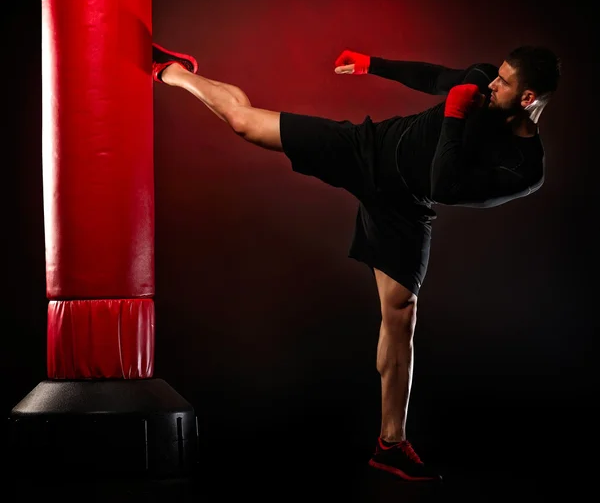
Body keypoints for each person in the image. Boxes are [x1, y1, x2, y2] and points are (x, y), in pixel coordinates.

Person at [151, 41, 561, 481]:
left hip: (406, 206)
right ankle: (173, 71)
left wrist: (456, 115)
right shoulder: (481, 82)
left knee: (401, 314)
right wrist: (373, 65)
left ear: (528, 99)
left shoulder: (523, 169)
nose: (491, 83)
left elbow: (445, 185)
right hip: (367, 149)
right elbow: (433, 77)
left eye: (503, 82)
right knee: (243, 122)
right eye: (495, 73)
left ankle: (391, 444)